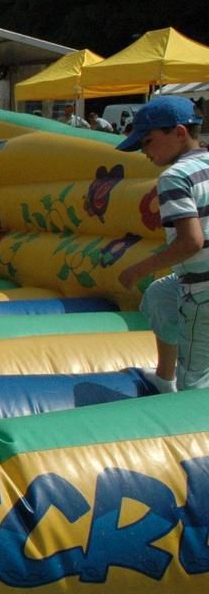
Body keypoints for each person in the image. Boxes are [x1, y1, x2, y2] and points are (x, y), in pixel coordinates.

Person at [116, 96, 209, 393]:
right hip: (191, 281)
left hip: (202, 290)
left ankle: (188, 414)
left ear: (179, 133)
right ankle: (164, 379)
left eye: (148, 142)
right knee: (159, 296)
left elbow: (190, 241)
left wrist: (137, 270)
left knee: (195, 381)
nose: (144, 152)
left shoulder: (174, 177)